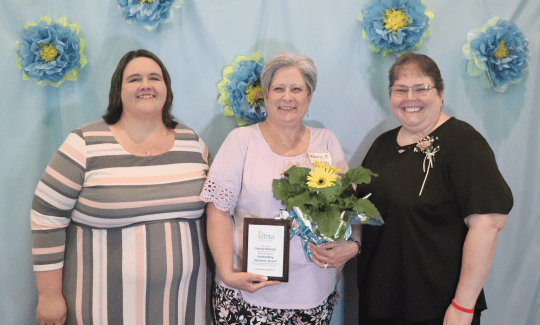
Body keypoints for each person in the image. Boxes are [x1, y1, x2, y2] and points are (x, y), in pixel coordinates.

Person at [30, 49, 209, 325]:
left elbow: (217, 209)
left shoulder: (192, 143)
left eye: (155, 78)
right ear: (118, 92)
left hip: (182, 304)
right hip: (99, 308)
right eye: (134, 79)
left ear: (167, 89)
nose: (145, 85)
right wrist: (49, 295)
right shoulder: (85, 143)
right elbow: (46, 218)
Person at [200, 52, 360, 324]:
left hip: (312, 294)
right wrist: (227, 273)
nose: (288, 97)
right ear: (265, 95)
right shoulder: (241, 141)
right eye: (279, 89)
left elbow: (350, 211)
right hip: (246, 291)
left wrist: (353, 245)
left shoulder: (326, 141)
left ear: (308, 98)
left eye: (297, 89)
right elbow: (218, 211)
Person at [356, 53, 513, 325]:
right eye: (400, 90)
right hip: (380, 303)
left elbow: (487, 224)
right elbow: (362, 211)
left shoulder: (464, 142)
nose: (410, 98)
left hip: (439, 308)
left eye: (421, 88)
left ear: (440, 92)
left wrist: (463, 306)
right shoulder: (381, 145)